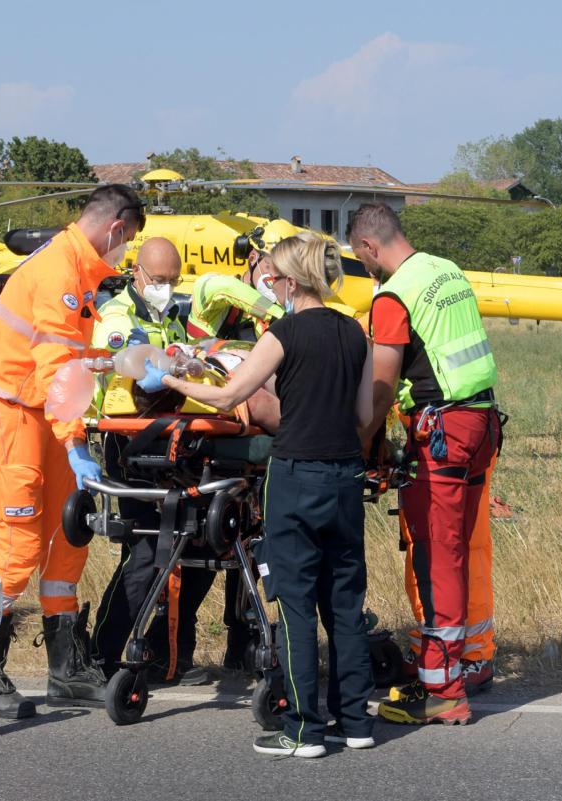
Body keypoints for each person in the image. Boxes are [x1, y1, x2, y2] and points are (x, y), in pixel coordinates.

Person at [156, 234, 375, 758]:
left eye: (272, 279)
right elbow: (365, 415)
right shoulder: (353, 333)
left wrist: (173, 379)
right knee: (344, 603)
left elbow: (230, 395)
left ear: (292, 282)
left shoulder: (284, 332)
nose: (268, 287)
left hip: (298, 475)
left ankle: (303, 730)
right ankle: (355, 721)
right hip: (346, 474)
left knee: (297, 604)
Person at [0, 184, 145, 713]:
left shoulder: (80, 275)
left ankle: (67, 669)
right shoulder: (59, 273)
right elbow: (54, 368)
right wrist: (75, 439)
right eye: (128, 240)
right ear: (115, 227)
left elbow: (73, 359)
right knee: (19, 543)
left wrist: (123, 361)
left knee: (69, 533)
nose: (126, 251)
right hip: (10, 408)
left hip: (45, 412)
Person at [348, 202, 501, 726]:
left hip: (442, 435)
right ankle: (460, 662)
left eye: (361, 260)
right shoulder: (444, 270)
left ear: (369, 247)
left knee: (436, 556)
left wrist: (359, 440)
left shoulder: (393, 295)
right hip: (481, 422)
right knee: (461, 550)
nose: (365, 270)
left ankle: (442, 689)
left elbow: (382, 383)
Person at [88, 237, 251, 685]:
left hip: (179, 441)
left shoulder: (173, 317)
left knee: (201, 543)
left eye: (173, 281)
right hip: (133, 444)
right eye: (159, 280)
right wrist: (170, 365)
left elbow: (188, 356)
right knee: (143, 551)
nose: (166, 287)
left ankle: (165, 655)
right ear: (136, 273)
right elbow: (129, 359)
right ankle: (100, 659)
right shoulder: (118, 315)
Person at [185, 227, 285, 341]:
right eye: (272, 266)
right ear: (252, 258)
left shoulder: (280, 305)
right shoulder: (213, 286)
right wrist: (283, 316)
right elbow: (226, 287)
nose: (276, 275)